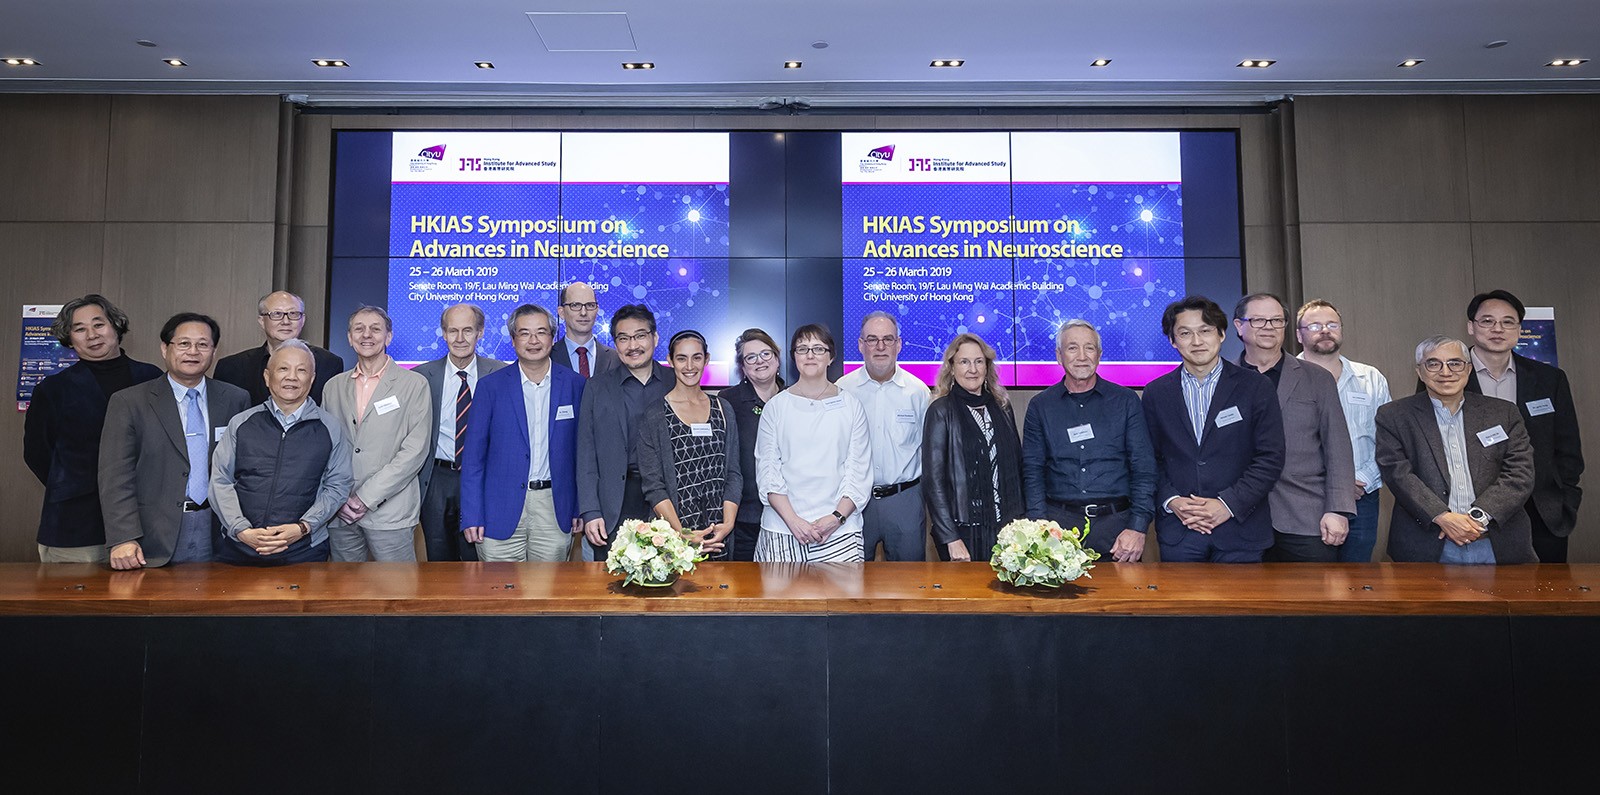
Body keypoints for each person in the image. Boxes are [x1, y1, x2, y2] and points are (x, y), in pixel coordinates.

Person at [99, 313, 251, 568]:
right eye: (183, 343)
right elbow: (115, 477)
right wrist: (124, 537)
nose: (193, 351)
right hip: (153, 534)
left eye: (203, 344)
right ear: (164, 349)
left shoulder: (235, 399)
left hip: (218, 530)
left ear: (214, 351)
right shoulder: (129, 402)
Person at [1141, 296, 1285, 563]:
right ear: (1173, 341)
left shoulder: (1255, 387)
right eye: (1185, 333)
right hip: (1180, 530)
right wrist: (1172, 500)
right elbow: (1149, 459)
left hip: (1240, 529)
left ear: (1221, 334)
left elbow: (1270, 457)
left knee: (1238, 606)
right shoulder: (1156, 393)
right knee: (1183, 606)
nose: (1197, 341)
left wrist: (1227, 505)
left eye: (1205, 331)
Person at [24, 295, 162, 563]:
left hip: (148, 524)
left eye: (99, 325)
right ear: (69, 338)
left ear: (115, 326)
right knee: (74, 602)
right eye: (79, 329)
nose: (92, 335)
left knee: (139, 602)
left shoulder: (152, 378)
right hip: (76, 524)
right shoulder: (52, 390)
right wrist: (73, 483)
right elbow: (38, 454)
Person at [1378, 335, 1535, 564]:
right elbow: (1398, 475)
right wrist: (1443, 517)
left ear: (1468, 369)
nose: (1445, 372)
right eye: (1433, 364)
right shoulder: (1394, 416)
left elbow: (1520, 473)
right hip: (1426, 544)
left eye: (1455, 363)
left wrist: (1477, 517)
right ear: (1419, 372)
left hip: (1498, 542)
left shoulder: (1504, 413)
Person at [1462, 290, 1584, 563]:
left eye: (1508, 322)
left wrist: (1566, 498)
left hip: (1542, 508)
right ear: (1471, 327)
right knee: (1480, 597)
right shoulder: (1448, 376)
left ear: (1519, 329)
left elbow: (1568, 448)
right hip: (1472, 509)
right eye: (1487, 321)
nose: (1498, 329)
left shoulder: (1549, 379)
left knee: (1546, 598)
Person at [1234, 293, 1355, 562]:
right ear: (1238, 327)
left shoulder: (1316, 378)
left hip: (1306, 516)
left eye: (1277, 320)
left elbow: (1338, 449)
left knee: (1312, 601)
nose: (1269, 326)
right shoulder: (1225, 380)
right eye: (1258, 320)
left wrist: (1338, 510)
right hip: (1240, 519)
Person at [1022, 320, 1156, 562]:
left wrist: (1137, 528)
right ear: (1059, 356)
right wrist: (1041, 531)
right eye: (1072, 348)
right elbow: (1033, 473)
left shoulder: (1126, 402)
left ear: (1100, 354)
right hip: (1058, 533)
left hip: (1119, 534)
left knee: (1122, 600)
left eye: (1090, 348)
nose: (1082, 356)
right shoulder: (1041, 406)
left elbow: (1144, 470)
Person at [460, 304, 585, 562]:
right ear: (513, 339)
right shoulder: (490, 387)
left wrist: (578, 507)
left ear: (552, 337)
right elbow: (473, 458)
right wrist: (472, 514)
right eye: (524, 333)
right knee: (498, 596)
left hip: (554, 508)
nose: (533, 340)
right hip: (497, 510)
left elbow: (581, 454)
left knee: (547, 596)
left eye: (541, 332)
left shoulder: (575, 385)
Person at [210, 340, 353, 566]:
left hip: (304, 550)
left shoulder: (330, 427)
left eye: (302, 370)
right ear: (267, 377)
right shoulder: (241, 423)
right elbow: (220, 480)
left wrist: (304, 527)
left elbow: (338, 485)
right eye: (283, 368)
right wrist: (241, 529)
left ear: (312, 379)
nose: (292, 377)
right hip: (238, 548)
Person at [320, 306, 432, 562]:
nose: (366, 335)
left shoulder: (414, 384)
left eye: (375, 329)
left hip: (390, 511)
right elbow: (326, 447)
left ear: (388, 337)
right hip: (341, 511)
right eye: (359, 329)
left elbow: (415, 451)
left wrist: (365, 498)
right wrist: (339, 499)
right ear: (349, 337)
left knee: (396, 593)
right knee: (345, 595)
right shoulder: (333, 387)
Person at [754, 324, 872, 563]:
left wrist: (837, 517)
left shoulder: (851, 405)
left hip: (840, 532)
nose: (810, 355)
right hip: (782, 531)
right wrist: (793, 522)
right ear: (793, 357)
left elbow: (858, 471)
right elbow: (768, 472)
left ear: (831, 357)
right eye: (802, 349)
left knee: (841, 601)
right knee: (781, 602)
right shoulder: (776, 407)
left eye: (818, 348)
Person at [1296, 299, 1392, 562]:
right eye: (1315, 325)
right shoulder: (1287, 379)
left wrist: (1357, 481)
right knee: (1310, 583)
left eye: (1332, 324)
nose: (1325, 330)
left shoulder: (1371, 378)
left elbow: (1388, 441)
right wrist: (1333, 486)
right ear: (1298, 334)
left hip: (1362, 495)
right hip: (1305, 499)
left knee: (1357, 581)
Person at [577, 304, 674, 561]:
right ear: (615, 344)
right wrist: (590, 511)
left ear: (655, 337)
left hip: (668, 499)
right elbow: (585, 454)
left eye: (640, 335)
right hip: (613, 504)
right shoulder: (596, 388)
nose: (633, 345)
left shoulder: (676, 382)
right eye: (623, 338)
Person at [637, 330, 743, 559]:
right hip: (673, 539)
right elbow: (653, 486)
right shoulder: (654, 415)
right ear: (670, 361)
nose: (689, 366)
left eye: (696, 357)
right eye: (681, 358)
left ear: (706, 359)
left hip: (718, 537)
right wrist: (682, 534)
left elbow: (733, 473)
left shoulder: (723, 409)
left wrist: (728, 525)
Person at [413, 303, 507, 561]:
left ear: (481, 332)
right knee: (438, 559)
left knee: (478, 559)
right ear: (443, 334)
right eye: (453, 331)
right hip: (437, 480)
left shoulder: (500, 373)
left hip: (483, 478)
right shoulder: (422, 376)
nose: (460, 338)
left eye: (468, 330)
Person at [838, 311, 931, 561]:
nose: (880, 347)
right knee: (851, 583)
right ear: (860, 345)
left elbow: (928, 450)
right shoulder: (842, 390)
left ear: (898, 344)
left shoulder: (918, 392)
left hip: (905, 501)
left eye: (888, 339)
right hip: (855, 502)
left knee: (909, 584)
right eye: (872, 339)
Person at [923, 333, 1025, 562]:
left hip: (1008, 529)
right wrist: (951, 538)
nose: (973, 369)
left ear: (987, 366)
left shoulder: (1002, 407)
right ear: (951, 367)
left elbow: (1018, 467)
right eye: (964, 362)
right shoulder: (941, 411)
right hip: (964, 534)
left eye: (979, 361)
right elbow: (933, 481)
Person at [717, 328, 785, 561]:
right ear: (743, 367)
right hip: (744, 518)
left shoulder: (795, 399)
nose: (760, 362)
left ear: (777, 358)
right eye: (751, 357)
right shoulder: (726, 402)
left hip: (789, 518)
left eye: (766, 354)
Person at [213, 290, 346, 405]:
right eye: (276, 314)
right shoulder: (231, 367)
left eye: (293, 314)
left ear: (303, 320)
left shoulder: (329, 363)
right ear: (261, 321)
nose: (286, 321)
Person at [551, 281, 620, 378]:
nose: (583, 312)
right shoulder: (548, 357)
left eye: (590, 305)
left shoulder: (616, 358)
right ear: (561, 312)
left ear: (597, 310)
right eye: (575, 305)